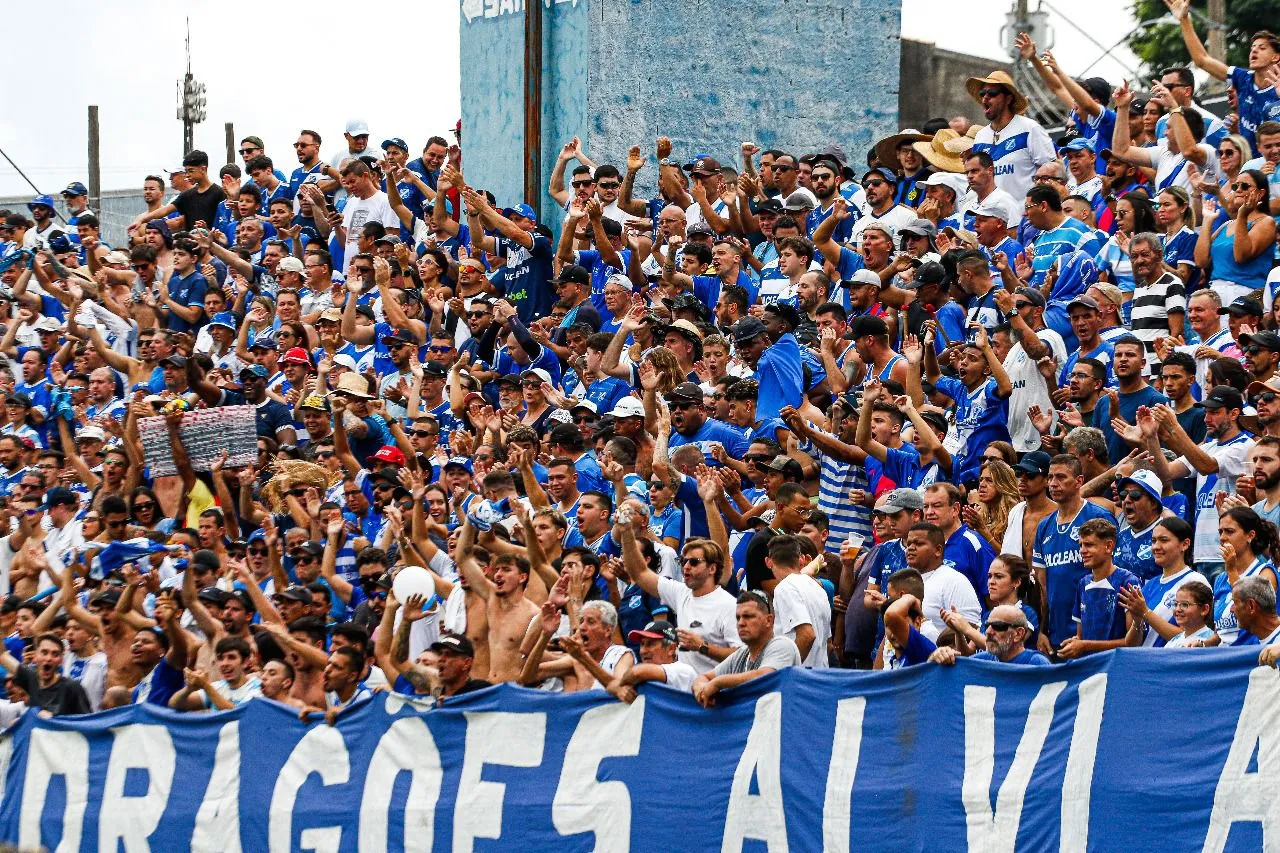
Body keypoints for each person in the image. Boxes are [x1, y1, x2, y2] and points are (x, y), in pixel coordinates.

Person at [692, 592, 800, 708]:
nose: (741, 623)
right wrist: (701, 688)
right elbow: (703, 677)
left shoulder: (782, 645)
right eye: (738, 618)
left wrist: (718, 682)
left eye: (748, 616)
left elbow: (765, 677)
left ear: (768, 620)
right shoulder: (741, 654)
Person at [0, 632, 91, 716]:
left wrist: (54, 719)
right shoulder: (31, 677)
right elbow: (2, 655)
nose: (49, 658)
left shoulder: (72, 687)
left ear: (61, 660)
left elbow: (87, 722)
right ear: (35, 655)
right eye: (44, 653)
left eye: (55, 654)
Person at [929, 604, 1050, 666]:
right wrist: (936, 657)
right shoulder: (983, 660)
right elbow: (961, 669)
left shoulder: (1036, 663)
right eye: (987, 626)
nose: (988, 631)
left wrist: (966, 629)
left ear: (1018, 634)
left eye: (998, 626)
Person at [607, 620, 698, 702]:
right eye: (642, 644)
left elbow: (637, 673)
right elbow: (610, 686)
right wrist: (618, 688)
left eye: (650, 644)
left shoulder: (684, 670)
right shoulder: (641, 674)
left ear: (671, 648)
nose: (643, 651)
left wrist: (619, 685)